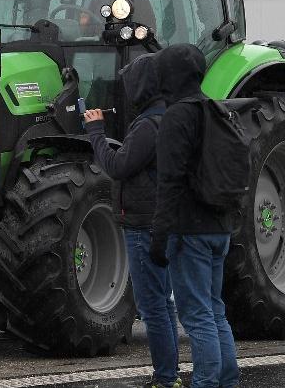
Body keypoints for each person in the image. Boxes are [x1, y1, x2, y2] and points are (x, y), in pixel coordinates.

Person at [84, 53, 180, 388]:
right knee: (163, 302)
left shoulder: (146, 127)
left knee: (152, 306)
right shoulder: (168, 117)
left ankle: (165, 378)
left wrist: (95, 131)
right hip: (161, 221)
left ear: (141, 87)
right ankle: (170, 375)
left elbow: (116, 166)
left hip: (142, 225)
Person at [150, 43, 239, 388]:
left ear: (169, 75)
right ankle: (227, 381)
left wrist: (160, 235)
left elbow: (169, 181)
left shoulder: (177, 116)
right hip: (220, 226)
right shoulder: (215, 110)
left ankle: (205, 382)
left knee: (197, 315)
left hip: (190, 231)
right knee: (215, 310)